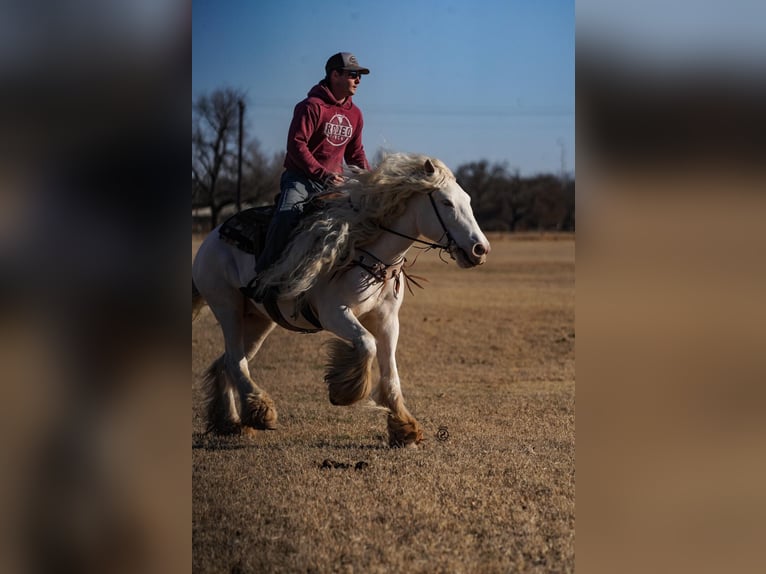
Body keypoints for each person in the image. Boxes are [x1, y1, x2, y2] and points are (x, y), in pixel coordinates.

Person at [249, 52, 371, 300]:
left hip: (333, 184)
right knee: (287, 215)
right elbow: (297, 145)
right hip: (301, 179)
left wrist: (369, 182)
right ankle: (264, 276)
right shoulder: (310, 107)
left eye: (359, 76)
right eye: (353, 75)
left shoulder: (355, 114)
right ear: (334, 74)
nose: (358, 80)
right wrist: (322, 174)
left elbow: (356, 153)